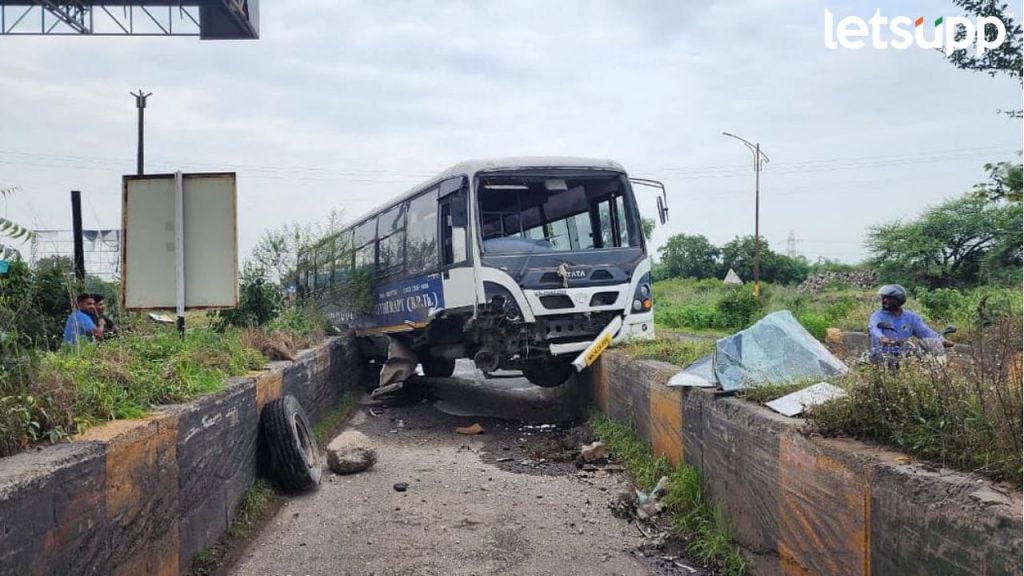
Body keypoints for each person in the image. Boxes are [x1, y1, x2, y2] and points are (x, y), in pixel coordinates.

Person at [868, 284, 952, 362]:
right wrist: (882, 338)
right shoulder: (877, 316)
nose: (884, 301)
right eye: (883, 298)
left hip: (905, 353)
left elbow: (925, 332)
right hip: (882, 354)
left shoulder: (910, 317)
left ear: (898, 299)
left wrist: (942, 340)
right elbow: (874, 329)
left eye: (888, 298)